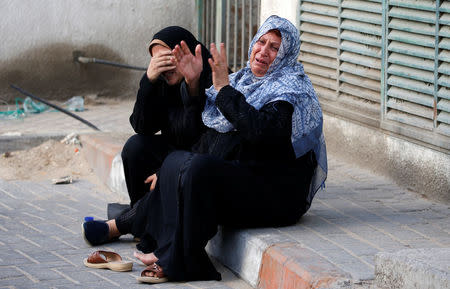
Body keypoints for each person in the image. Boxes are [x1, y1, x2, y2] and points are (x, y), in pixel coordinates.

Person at [82, 15, 327, 283]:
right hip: (248, 175)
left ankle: (171, 256)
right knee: (179, 163)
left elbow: (259, 132)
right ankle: (151, 238)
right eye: (262, 42)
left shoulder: (293, 91)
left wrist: (215, 87)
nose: (263, 52)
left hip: (276, 192)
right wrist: (150, 81)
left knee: (195, 168)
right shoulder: (243, 80)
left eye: (275, 47)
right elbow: (200, 132)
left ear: (286, 54)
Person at [120, 26, 212, 208]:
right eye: (158, 60)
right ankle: (139, 214)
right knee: (135, 146)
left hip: (202, 156)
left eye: (169, 58)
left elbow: (208, 137)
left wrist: (192, 86)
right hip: (175, 149)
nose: (165, 66)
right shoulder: (161, 82)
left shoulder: (212, 75)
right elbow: (142, 126)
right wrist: (148, 81)